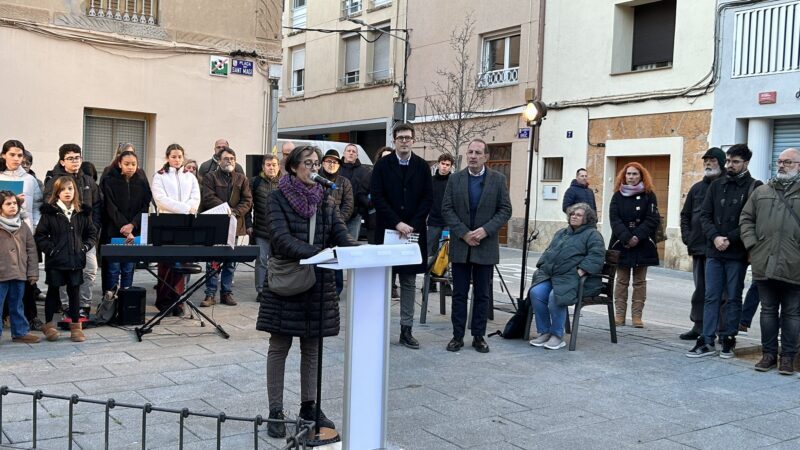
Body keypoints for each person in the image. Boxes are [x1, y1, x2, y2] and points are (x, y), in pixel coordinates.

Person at [255, 145, 356, 438]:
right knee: (280, 345)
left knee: (312, 347)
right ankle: (275, 410)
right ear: (294, 167)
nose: (315, 167)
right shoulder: (277, 197)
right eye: (308, 163)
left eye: (317, 162)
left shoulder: (326, 197)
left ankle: (309, 406)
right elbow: (280, 238)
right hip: (287, 280)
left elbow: (339, 231)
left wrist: (358, 252)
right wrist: (317, 252)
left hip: (318, 282)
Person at [687, 144, 762, 358]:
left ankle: (728, 338)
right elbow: (705, 216)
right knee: (711, 296)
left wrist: (729, 238)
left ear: (746, 163)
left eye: (735, 161)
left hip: (736, 253)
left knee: (733, 297)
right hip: (714, 250)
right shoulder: (716, 185)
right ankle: (707, 340)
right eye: (728, 161)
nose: (729, 165)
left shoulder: (754, 187)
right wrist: (715, 237)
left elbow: (751, 221)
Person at [441, 139, 511, 353]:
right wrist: (463, 233)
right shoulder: (455, 179)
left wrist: (485, 230)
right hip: (462, 246)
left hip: (485, 245)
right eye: (470, 152)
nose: (472, 156)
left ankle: (479, 336)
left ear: (485, 157)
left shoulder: (498, 180)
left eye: (477, 152)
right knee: (460, 294)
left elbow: (505, 210)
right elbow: (447, 209)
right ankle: (457, 336)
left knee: (482, 294)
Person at [370, 123, 433, 349]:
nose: (404, 141)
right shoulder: (382, 166)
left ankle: (407, 330)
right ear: (394, 140)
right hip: (388, 230)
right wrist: (396, 222)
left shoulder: (423, 166)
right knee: (385, 283)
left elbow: (428, 198)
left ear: (413, 140)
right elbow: (377, 196)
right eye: (400, 138)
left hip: (413, 235)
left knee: (408, 283)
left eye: (408, 138)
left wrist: (412, 225)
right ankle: (379, 329)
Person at [740, 148, 800, 374]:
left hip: (795, 264)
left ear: (799, 166)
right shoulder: (762, 191)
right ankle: (768, 354)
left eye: (788, 162)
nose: (782, 165)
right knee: (767, 310)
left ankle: (787, 358)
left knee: (792, 313)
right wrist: (753, 245)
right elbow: (746, 219)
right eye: (780, 161)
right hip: (764, 261)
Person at [528, 203, 605, 350]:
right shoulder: (561, 233)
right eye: (572, 214)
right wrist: (543, 265)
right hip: (553, 275)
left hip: (578, 279)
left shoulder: (592, 235)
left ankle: (557, 335)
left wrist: (581, 271)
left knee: (555, 296)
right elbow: (548, 251)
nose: (574, 217)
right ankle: (545, 331)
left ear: (587, 219)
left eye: (578, 215)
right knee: (536, 292)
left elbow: (596, 256)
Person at [43, 144, 102, 320]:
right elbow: (49, 207)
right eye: (70, 158)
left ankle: (84, 306)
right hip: (61, 238)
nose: (75, 161)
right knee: (63, 274)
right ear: (62, 161)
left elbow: (97, 206)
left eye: (77, 157)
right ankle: (67, 307)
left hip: (85, 237)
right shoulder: (54, 180)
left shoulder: (89, 181)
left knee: (90, 270)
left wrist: (94, 227)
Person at [35, 176, 97, 342]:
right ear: (57, 193)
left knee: (74, 292)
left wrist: (84, 248)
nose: (67, 192)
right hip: (56, 261)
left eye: (70, 188)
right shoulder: (50, 213)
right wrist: (51, 250)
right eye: (63, 189)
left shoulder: (82, 213)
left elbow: (91, 234)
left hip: (75, 260)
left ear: (75, 191)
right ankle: (49, 324)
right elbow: (40, 235)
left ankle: (76, 325)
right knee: (53, 292)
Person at [678, 147, 726, 340]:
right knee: (700, 290)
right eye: (705, 160)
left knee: (720, 292)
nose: (708, 163)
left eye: (712, 160)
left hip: (720, 249)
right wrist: (687, 237)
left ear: (721, 163)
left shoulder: (726, 186)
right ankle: (699, 326)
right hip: (699, 247)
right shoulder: (697, 188)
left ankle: (721, 330)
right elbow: (685, 215)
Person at [608, 162, 660, 328]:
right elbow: (614, 219)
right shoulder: (617, 196)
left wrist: (637, 236)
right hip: (622, 243)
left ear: (641, 176)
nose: (631, 177)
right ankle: (619, 315)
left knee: (639, 282)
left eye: (635, 174)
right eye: (628, 174)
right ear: (624, 176)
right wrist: (627, 238)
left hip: (642, 243)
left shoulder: (649, 195)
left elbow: (653, 219)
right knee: (621, 281)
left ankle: (637, 316)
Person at [199, 146, 252, 307]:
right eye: (226, 158)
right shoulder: (210, 177)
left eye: (232, 159)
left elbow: (248, 200)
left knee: (230, 261)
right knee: (213, 261)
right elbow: (208, 197)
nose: (229, 161)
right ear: (219, 160)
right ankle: (210, 294)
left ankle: (226, 293)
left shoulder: (242, 179)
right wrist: (225, 210)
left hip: (234, 224)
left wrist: (234, 212)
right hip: (216, 224)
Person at [151, 144, 201, 313]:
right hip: (167, 222)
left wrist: (188, 209)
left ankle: (178, 301)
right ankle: (164, 301)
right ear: (167, 157)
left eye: (179, 156)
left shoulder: (190, 177)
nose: (177, 159)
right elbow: (160, 199)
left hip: (186, 224)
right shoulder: (159, 176)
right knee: (166, 263)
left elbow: (195, 198)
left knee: (182, 261)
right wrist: (182, 208)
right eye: (173, 156)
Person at [1, 140, 43, 329]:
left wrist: (33, 225)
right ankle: (4, 316)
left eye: (20, 155)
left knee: (25, 277)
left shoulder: (29, 179)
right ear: (3, 155)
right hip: (2, 233)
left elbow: (36, 206)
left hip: (23, 232)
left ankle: (29, 316)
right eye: (12, 155)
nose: (17, 159)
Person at [99, 150, 152, 292]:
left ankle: (126, 302)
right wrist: (124, 226)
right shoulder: (109, 181)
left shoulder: (141, 182)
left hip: (134, 233)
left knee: (128, 269)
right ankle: (110, 303)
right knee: (113, 270)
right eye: (127, 164)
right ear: (119, 164)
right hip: (115, 231)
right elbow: (110, 207)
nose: (130, 167)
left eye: (133, 164)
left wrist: (132, 225)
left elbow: (145, 206)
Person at [0, 191, 40, 344]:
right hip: (1, 273)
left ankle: (20, 332)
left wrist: (33, 272)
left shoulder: (23, 226)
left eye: (14, 203)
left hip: (19, 272)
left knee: (17, 304)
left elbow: (31, 249)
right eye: (8, 204)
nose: (12, 207)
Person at [320, 149, 354, 295]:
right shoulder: (315, 180)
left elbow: (348, 205)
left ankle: (336, 291)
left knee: (337, 259)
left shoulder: (344, 182)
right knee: (320, 258)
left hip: (337, 227)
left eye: (335, 162)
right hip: (318, 226)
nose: (332, 164)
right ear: (322, 163)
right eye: (329, 161)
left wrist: (337, 222)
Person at [250, 154, 281, 295]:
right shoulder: (255, 182)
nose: (271, 167)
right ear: (263, 167)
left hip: (280, 231)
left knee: (277, 262)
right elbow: (248, 205)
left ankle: (275, 289)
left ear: (278, 166)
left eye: (274, 164)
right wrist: (248, 224)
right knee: (261, 261)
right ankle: (261, 291)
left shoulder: (284, 183)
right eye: (268, 165)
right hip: (261, 229)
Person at [427, 153, 454, 293]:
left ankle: (446, 282)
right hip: (433, 221)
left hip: (448, 222)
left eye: (447, 165)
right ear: (438, 164)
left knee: (446, 252)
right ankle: (429, 281)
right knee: (431, 252)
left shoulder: (453, 181)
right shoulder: (430, 181)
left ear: (451, 166)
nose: (444, 167)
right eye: (442, 164)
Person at [338, 143, 372, 240]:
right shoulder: (337, 169)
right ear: (344, 153)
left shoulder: (364, 172)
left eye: (354, 152)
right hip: (336, 214)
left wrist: (361, 210)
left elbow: (366, 192)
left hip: (355, 215)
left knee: (351, 244)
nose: (351, 153)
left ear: (357, 155)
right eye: (349, 151)